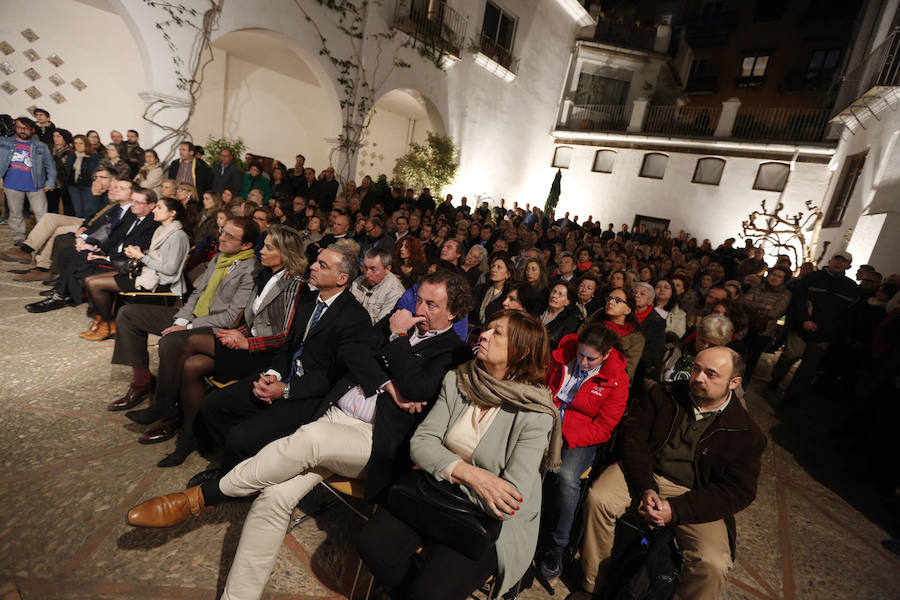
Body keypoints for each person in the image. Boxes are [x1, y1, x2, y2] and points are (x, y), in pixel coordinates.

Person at [125, 270, 473, 599]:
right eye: (420, 299)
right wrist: (388, 385)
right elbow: (354, 353)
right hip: (335, 416)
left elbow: (417, 387)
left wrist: (397, 341)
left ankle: (203, 497)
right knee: (273, 497)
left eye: (432, 305)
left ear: (453, 313)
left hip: (373, 440)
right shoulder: (398, 320)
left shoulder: (453, 353)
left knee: (310, 439)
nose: (420, 309)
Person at [357, 309, 560, 599]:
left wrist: (438, 466)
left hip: (488, 521)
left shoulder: (534, 414)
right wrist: (470, 475)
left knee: (430, 592)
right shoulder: (459, 380)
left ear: (522, 351)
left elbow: (507, 499)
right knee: (372, 545)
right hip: (437, 493)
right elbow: (422, 442)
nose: (484, 335)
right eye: (487, 328)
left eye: (497, 333)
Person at [575, 347, 766, 599]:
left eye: (711, 374)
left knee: (712, 563)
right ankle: (594, 586)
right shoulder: (664, 394)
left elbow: (738, 491)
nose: (698, 377)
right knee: (599, 499)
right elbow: (634, 440)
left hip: (697, 495)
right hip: (646, 474)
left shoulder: (746, 433)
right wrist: (646, 486)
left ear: (734, 383)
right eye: (696, 368)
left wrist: (675, 509)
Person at [190, 244, 371, 481]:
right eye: (316, 261)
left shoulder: (356, 318)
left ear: (342, 278)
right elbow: (289, 346)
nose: (312, 266)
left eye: (322, 265)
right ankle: (234, 464)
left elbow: (334, 375)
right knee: (214, 405)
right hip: (283, 377)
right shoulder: (309, 300)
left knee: (241, 437)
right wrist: (273, 374)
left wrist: (285, 389)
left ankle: (230, 483)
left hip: (309, 396)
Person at [147, 225, 307, 467]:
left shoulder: (295, 284)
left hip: (266, 355)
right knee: (192, 365)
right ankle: (189, 435)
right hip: (248, 346)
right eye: (263, 246)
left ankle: (166, 406)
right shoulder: (264, 275)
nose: (261, 251)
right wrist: (238, 332)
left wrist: (248, 343)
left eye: (269, 248)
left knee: (186, 341)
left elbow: (285, 336)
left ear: (285, 254)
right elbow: (252, 322)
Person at [106, 216, 260, 431]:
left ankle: (167, 408)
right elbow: (197, 293)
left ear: (246, 245)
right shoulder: (220, 257)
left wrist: (187, 327)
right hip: (192, 316)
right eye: (222, 231)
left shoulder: (251, 269)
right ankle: (142, 383)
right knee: (128, 314)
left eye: (229, 236)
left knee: (169, 341)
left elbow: (230, 318)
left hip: (215, 327)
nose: (221, 238)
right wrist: (182, 319)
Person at [540, 324, 628, 580]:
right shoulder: (563, 355)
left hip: (580, 433)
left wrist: (565, 438)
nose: (583, 362)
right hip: (546, 418)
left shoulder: (617, 379)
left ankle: (558, 545)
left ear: (606, 354)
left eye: (591, 358)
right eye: (581, 354)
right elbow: (542, 383)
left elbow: (604, 426)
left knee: (567, 478)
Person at [25, 185, 159, 313]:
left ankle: (60, 296)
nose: (133, 204)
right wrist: (95, 248)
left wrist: (105, 257)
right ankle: (65, 292)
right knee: (78, 252)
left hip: (126, 264)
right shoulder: (132, 216)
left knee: (81, 260)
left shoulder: (151, 224)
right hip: (113, 255)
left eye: (137, 202)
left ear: (151, 205)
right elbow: (113, 238)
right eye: (132, 200)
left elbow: (135, 251)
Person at [80, 196, 189, 341]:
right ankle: (101, 320)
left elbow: (170, 270)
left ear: (172, 213)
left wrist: (142, 257)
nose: (154, 210)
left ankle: (108, 324)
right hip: (148, 272)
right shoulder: (161, 230)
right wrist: (137, 253)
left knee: (95, 284)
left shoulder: (178, 236)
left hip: (162, 281)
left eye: (159, 208)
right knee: (89, 279)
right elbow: (155, 256)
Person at [768, 251, 859, 400]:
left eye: (843, 261)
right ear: (830, 261)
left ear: (848, 266)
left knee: (809, 367)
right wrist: (805, 319)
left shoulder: (851, 287)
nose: (839, 263)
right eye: (837, 259)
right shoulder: (812, 277)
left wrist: (833, 331)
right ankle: (775, 380)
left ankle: (792, 397)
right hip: (801, 328)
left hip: (824, 334)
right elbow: (799, 300)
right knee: (790, 355)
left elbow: (847, 314)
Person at [0, 167, 115, 281]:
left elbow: (104, 219)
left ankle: (43, 269)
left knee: (58, 230)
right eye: (96, 177)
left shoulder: (116, 192)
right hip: (88, 222)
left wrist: (96, 197)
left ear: (113, 179)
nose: (98, 180)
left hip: (100, 227)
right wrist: (96, 197)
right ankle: (25, 250)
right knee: (49, 217)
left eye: (102, 177)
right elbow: (90, 214)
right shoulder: (102, 189)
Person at [0, 117, 56, 246]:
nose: (22, 131)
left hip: (36, 185)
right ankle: (19, 237)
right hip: (11, 185)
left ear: (32, 130)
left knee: (42, 214)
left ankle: (44, 238)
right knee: (15, 213)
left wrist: (50, 182)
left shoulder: (41, 146)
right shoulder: (4, 142)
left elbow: (51, 166)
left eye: (25, 128)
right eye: (19, 127)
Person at [740, 266, 791, 381]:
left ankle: (743, 383)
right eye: (773, 274)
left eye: (779, 276)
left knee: (751, 359)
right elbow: (743, 302)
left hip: (763, 330)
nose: (774, 278)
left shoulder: (785, 294)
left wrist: (753, 305)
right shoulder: (757, 287)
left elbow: (775, 313)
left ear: (784, 280)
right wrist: (764, 306)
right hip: (745, 325)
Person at [586, 288, 645, 380]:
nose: (610, 302)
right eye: (609, 298)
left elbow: (626, 372)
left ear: (627, 310)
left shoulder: (635, 338)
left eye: (618, 300)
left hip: (609, 381)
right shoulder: (594, 322)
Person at [661, 314, 734, 382]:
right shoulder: (672, 350)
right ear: (697, 335)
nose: (705, 346)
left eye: (712, 345)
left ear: (721, 346)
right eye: (703, 341)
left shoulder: (727, 366)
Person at [350, 247, 407, 324]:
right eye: (365, 268)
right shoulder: (358, 282)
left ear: (387, 269)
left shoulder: (395, 292)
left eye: (373, 269)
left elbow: (380, 325)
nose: (367, 274)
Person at [471, 254, 515, 327]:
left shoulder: (510, 295)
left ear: (508, 274)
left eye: (499, 267)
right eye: (493, 266)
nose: (494, 270)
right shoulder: (480, 289)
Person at [542, 281, 584, 350]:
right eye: (554, 291)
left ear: (568, 302)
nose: (554, 296)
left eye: (560, 294)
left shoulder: (570, 322)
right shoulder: (538, 310)